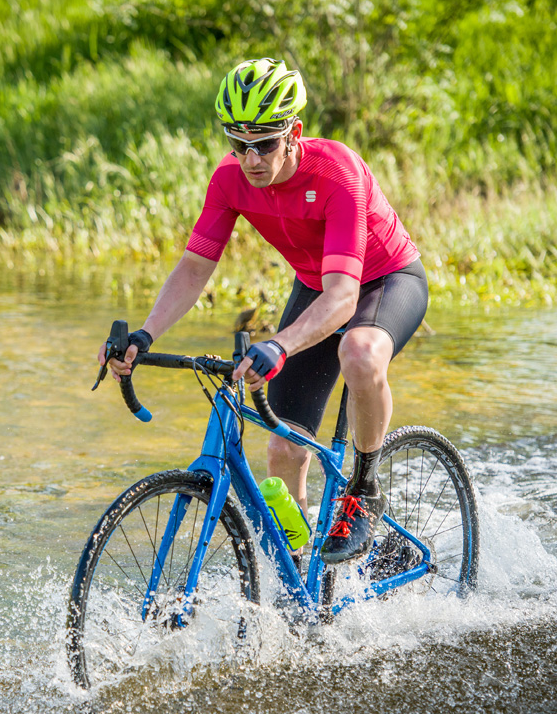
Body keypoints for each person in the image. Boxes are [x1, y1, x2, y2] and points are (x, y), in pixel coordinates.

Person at [101, 58, 429, 564]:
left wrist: (279, 343)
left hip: (385, 279)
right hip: (319, 285)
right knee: (282, 447)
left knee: (360, 352)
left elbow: (344, 297)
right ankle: (299, 576)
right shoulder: (230, 181)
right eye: (239, 144)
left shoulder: (337, 170)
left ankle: (364, 491)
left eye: (265, 143)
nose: (251, 158)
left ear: (294, 133)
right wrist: (144, 335)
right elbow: (193, 270)